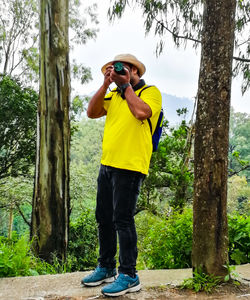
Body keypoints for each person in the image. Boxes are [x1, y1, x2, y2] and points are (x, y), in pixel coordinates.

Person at [81, 54, 162, 297]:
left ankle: (129, 275)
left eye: (123, 69)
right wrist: (106, 84)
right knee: (103, 217)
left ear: (135, 71)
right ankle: (106, 267)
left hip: (130, 166)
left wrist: (126, 86)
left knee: (122, 220)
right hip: (107, 165)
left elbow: (142, 113)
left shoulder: (150, 91)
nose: (118, 72)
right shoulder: (113, 95)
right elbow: (91, 112)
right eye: (114, 69)